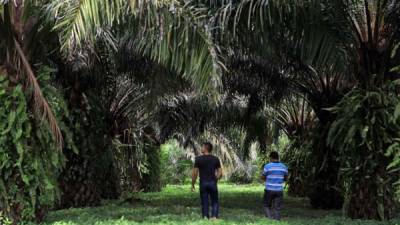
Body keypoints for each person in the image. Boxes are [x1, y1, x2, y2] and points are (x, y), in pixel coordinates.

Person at [191, 142, 223, 220]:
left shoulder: (198, 159)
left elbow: (195, 173)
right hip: (212, 182)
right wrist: (216, 178)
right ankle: (214, 216)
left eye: (202, 147)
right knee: (214, 200)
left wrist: (193, 184)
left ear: (205, 148)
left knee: (204, 201)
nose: (201, 148)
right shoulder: (215, 159)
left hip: (203, 183)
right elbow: (220, 171)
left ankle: (205, 216)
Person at [261, 151, 288, 220]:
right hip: (279, 190)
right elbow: (285, 178)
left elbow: (263, 177)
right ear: (278, 158)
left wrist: (267, 179)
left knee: (266, 205)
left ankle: (269, 218)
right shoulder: (284, 167)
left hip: (269, 189)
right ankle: (276, 219)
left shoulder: (267, 166)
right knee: (277, 207)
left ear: (271, 158)